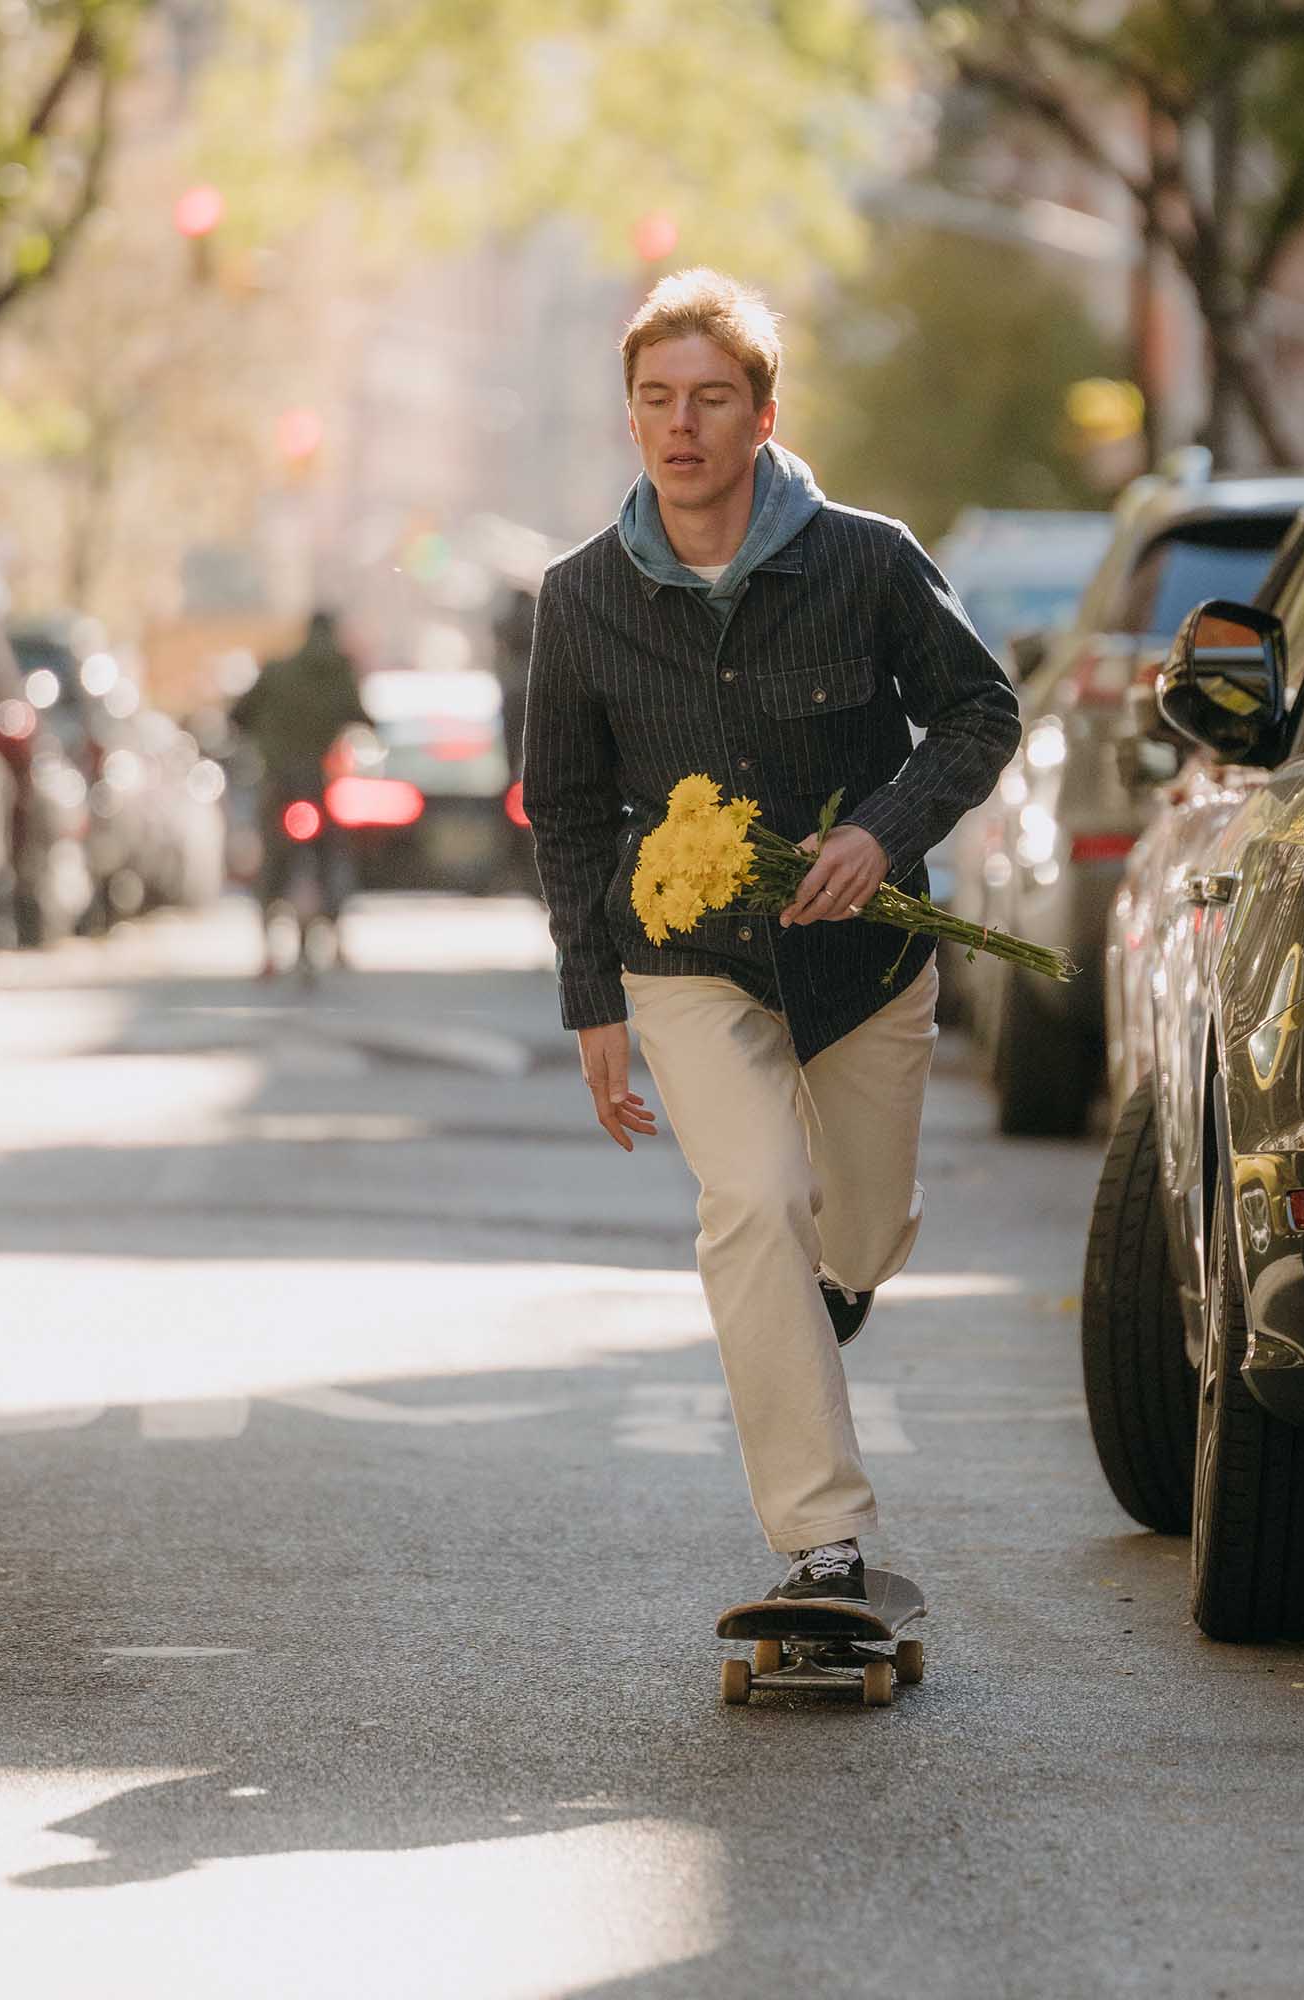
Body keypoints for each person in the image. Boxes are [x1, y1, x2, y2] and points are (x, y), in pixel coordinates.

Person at [520, 270, 1020, 1604]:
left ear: (762, 414)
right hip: (686, 961)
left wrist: (886, 832)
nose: (682, 426)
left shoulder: (865, 558)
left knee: (850, 1237)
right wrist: (594, 1006)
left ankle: (845, 1268)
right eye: (657, 401)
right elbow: (566, 810)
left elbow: (980, 711)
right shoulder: (578, 599)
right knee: (749, 1203)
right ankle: (823, 1537)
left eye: (711, 400)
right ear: (631, 420)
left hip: (861, 965)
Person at [231, 609, 370, 971]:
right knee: (331, 857)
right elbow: (360, 715)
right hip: (316, 781)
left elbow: (239, 716)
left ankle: (267, 947)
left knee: (272, 863)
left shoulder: (277, 670)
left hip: (278, 780)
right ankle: (335, 937)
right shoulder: (338, 673)